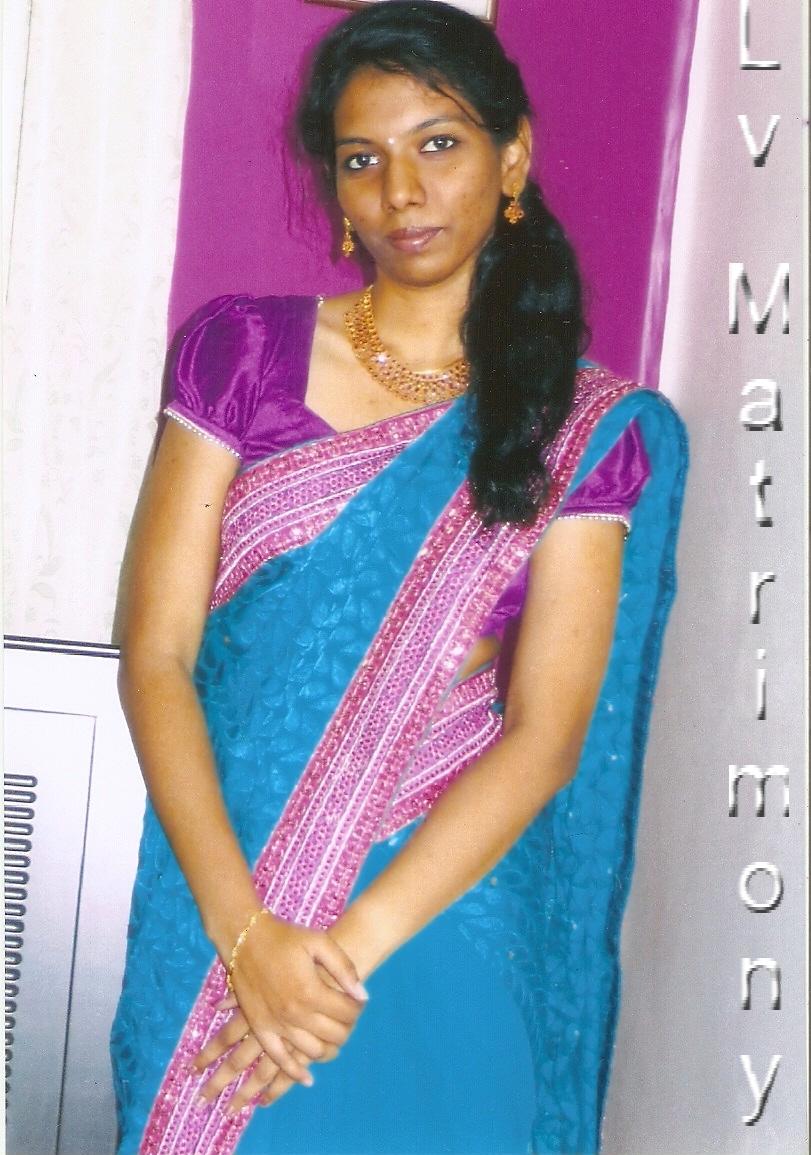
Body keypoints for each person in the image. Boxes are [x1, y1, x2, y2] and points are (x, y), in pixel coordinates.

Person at [110, 3, 687, 1153]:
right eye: (361, 160)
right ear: (335, 187)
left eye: (439, 144)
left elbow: (544, 738)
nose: (401, 192)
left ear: (511, 156)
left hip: (433, 926)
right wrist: (248, 939)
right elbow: (157, 654)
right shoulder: (241, 356)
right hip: (225, 896)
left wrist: (333, 962)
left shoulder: (588, 429)